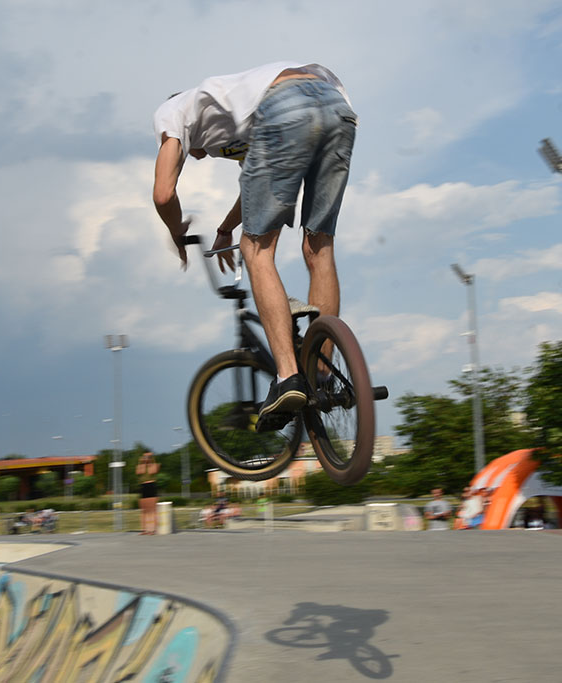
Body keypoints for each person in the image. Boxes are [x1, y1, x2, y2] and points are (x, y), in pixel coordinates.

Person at [153, 62, 357, 424]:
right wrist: (225, 227)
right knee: (319, 248)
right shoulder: (231, 129)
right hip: (335, 106)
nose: (194, 156)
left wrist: (176, 231)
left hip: (283, 104)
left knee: (257, 250)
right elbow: (254, 190)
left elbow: (163, 194)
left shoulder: (173, 110)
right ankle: (322, 377)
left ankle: (288, 377)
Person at [136, 452, 160, 534]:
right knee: (144, 510)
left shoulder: (154, 465)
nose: (146, 458)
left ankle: (153, 529)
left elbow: (153, 470)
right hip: (143, 486)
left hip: (151, 485)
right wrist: (141, 462)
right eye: (145, 457)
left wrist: (151, 460)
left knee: (152, 510)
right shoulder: (140, 466)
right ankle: (144, 529)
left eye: (148, 457)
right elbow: (139, 472)